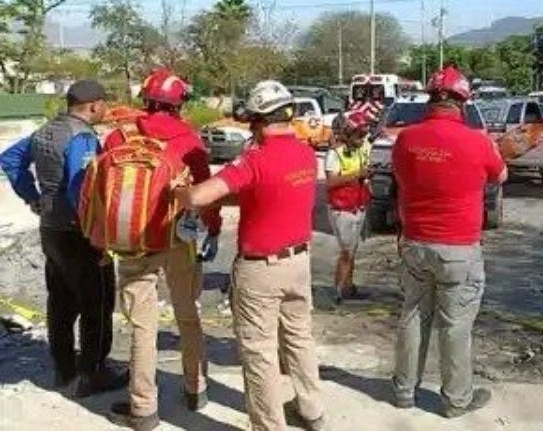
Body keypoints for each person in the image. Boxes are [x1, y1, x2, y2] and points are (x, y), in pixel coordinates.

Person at [176, 80, 324, 431]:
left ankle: (268, 425)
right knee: (299, 338)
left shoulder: (253, 160)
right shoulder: (305, 154)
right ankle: (313, 411)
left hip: (261, 270)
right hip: (299, 263)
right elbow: (264, 195)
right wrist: (222, 197)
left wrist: (181, 192)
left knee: (258, 352)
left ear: (258, 121)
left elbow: (199, 197)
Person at [105, 69, 221, 430]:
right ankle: (195, 388)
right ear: (179, 103)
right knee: (188, 315)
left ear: (146, 99)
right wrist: (212, 231)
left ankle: (143, 409)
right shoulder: (190, 141)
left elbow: (97, 188)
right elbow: (208, 194)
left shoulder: (117, 136)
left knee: (142, 328)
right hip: (178, 241)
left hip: (133, 243)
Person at [391, 66, 507, 418]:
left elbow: (400, 175)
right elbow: (500, 175)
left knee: (413, 315)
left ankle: (403, 392)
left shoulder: (407, 139)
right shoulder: (477, 141)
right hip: (459, 248)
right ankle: (456, 400)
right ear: (463, 103)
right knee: (455, 325)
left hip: (415, 243)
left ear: (430, 99)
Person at [0, 80, 127, 397]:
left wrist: (33, 197)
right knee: (97, 302)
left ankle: (64, 368)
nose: (105, 110)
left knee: (60, 300)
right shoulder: (81, 137)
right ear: (94, 105)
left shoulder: (45, 131)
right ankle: (93, 372)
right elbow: (80, 187)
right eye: (104, 105)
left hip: (50, 229)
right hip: (77, 231)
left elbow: (10, 160)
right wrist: (96, 234)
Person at [324, 110, 371, 302]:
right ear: (348, 134)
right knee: (346, 252)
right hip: (341, 208)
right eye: (359, 135)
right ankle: (338, 291)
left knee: (353, 250)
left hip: (357, 205)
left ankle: (349, 287)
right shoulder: (334, 154)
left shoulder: (359, 150)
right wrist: (357, 175)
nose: (362, 139)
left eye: (364, 135)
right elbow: (330, 182)